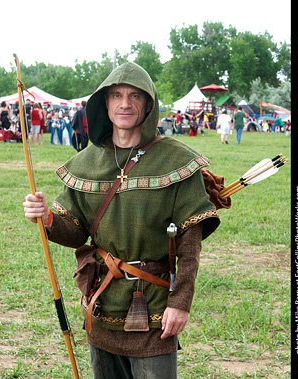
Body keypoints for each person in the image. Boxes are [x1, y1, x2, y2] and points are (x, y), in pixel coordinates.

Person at [22, 62, 222, 379]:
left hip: (154, 309)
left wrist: (180, 302)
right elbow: (74, 232)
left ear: (148, 105)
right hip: (101, 305)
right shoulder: (86, 162)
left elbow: (190, 243)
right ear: (105, 103)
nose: (125, 103)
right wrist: (47, 217)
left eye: (134, 96)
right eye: (116, 95)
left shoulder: (177, 161)